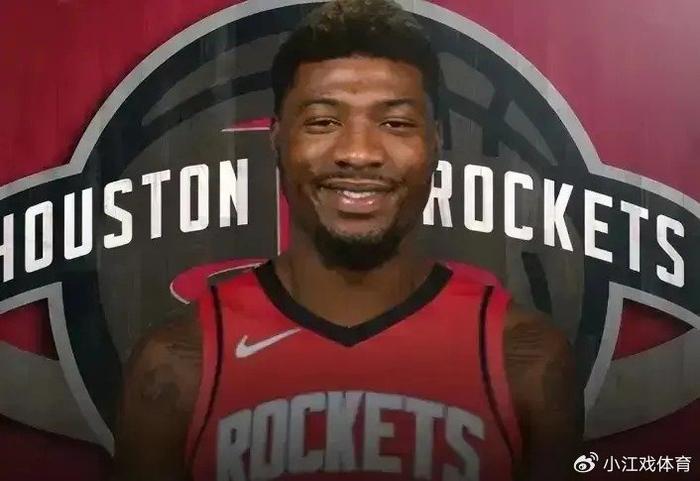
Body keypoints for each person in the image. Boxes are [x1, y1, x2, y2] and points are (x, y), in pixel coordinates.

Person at [112, 1, 583, 480]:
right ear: (276, 138)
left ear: (435, 141)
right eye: (322, 121)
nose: (358, 153)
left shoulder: (526, 360)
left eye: (396, 123)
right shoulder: (177, 363)